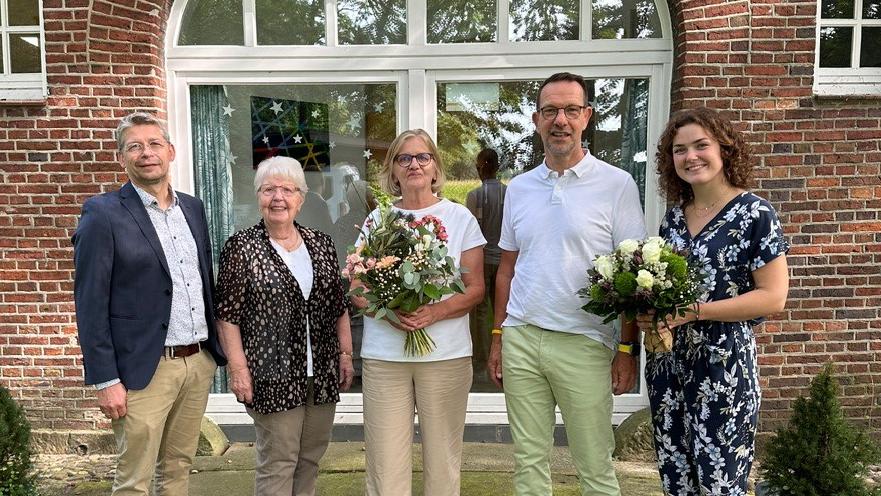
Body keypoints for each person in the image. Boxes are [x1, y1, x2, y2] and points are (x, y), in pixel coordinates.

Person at [487, 72, 647, 495]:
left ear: (587, 117)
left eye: (571, 110)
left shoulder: (617, 185)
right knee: (528, 464)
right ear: (537, 119)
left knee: (594, 465)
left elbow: (633, 278)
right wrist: (499, 336)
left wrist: (627, 349)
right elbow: (507, 268)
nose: (561, 120)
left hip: (585, 343)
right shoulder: (519, 188)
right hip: (522, 338)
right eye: (551, 111)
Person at [72, 112, 227, 496]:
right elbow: (90, 303)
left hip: (197, 362)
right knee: (134, 480)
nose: (146, 153)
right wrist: (106, 380)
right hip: (144, 369)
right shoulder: (102, 213)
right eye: (135, 146)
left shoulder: (193, 208)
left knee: (177, 468)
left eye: (155, 144)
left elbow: (201, 280)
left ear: (171, 151)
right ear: (120, 157)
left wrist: (211, 354)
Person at [637, 107, 789, 495]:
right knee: (676, 476)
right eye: (679, 150)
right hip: (669, 365)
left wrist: (695, 312)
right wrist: (651, 314)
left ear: (725, 150)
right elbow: (664, 288)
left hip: (724, 367)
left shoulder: (755, 213)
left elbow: (773, 296)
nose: (690, 157)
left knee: (721, 481)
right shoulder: (673, 220)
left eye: (701, 146)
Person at [351, 129, 486, 496]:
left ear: (435, 167)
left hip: (445, 355)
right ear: (393, 170)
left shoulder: (458, 218)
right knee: (384, 463)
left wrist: (435, 312)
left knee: (443, 461)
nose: (414, 165)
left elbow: (475, 289)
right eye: (404, 158)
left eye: (422, 157)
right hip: (385, 355)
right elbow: (358, 287)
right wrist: (390, 311)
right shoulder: (378, 220)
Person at [214, 156, 354, 496]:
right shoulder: (242, 247)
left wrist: (346, 354)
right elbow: (227, 316)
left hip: (320, 372)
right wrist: (238, 368)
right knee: (278, 462)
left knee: (310, 458)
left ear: (301, 198)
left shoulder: (320, 243)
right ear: (258, 196)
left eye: (287, 189)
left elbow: (338, 306)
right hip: (270, 373)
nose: (278, 197)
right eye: (269, 189)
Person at [465, 148, 506, 374]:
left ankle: (481, 357)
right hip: (503, 258)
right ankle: (499, 353)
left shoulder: (475, 195)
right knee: (501, 308)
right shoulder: (508, 193)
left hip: (482, 259)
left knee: (481, 311)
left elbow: (471, 232)